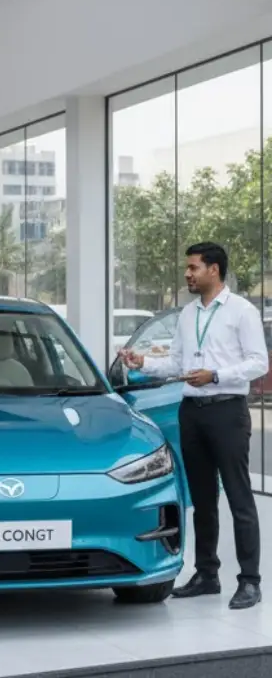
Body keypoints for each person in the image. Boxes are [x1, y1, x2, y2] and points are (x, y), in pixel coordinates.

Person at [120, 242, 267, 609]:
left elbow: (258, 363)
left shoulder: (241, 311)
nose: (187, 274)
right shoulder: (188, 314)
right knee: (201, 499)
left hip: (227, 412)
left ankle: (249, 581)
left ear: (213, 270)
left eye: (193, 267)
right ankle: (206, 574)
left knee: (239, 497)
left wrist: (216, 375)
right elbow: (177, 364)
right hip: (192, 411)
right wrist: (143, 363)